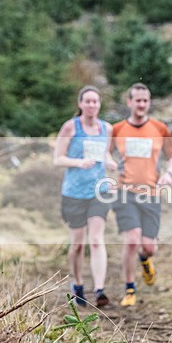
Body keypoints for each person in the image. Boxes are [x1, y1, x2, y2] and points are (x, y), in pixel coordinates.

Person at [111, 83, 172, 307]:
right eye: (137, 100)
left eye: (145, 100)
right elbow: (103, 153)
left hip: (151, 193)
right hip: (125, 192)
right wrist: (108, 164)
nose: (141, 104)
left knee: (149, 247)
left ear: (149, 103)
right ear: (129, 102)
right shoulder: (117, 129)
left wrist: (168, 174)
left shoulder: (159, 128)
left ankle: (145, 260)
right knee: (131, 240)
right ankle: (129, 289)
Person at [54, 85, 116, 308]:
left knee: (97, 239)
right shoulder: (71, 127)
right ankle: (78, 283)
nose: (91, 105)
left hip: (99, 191)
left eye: (95, 102)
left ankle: (99, 289)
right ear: (80, 104)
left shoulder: (106, 128)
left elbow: (104, 151)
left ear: (99, 105)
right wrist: (77, 162)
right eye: (87, 101)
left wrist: (108, 160)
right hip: (73, 193)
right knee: (78, 245)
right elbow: (58, 158)